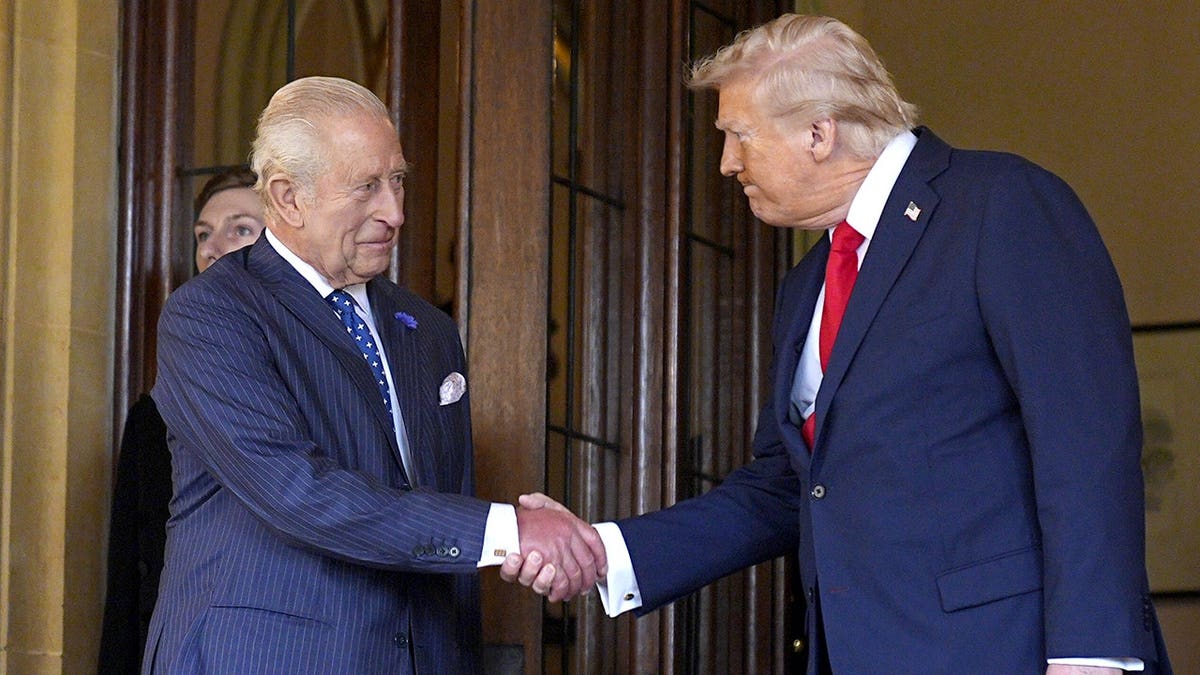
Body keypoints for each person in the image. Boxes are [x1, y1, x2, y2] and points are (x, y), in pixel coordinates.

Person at [504, 14, 1172, 675]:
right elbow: (787, 489)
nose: (727, 163)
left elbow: (1086, 437)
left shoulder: (1000, 205)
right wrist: (605, 550)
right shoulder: (806, 284)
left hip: (1010, 648)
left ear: (820, 133)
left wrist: (1091, 654)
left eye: (738, 136)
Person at [144, 76, 605, 674]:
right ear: (287, 198)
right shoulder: (211, 314)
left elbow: (440, 503)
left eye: (397, 181)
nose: (395, 212)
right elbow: (296, 492)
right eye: (365, 188)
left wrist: (503, 548)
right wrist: (509, 529)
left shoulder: (426, 329)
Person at [99, 167, 266, 674]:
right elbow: (130, 582)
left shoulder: (321, 387)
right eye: (202, 234)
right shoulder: (152, 417)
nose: (213, 246)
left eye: (240, 228)